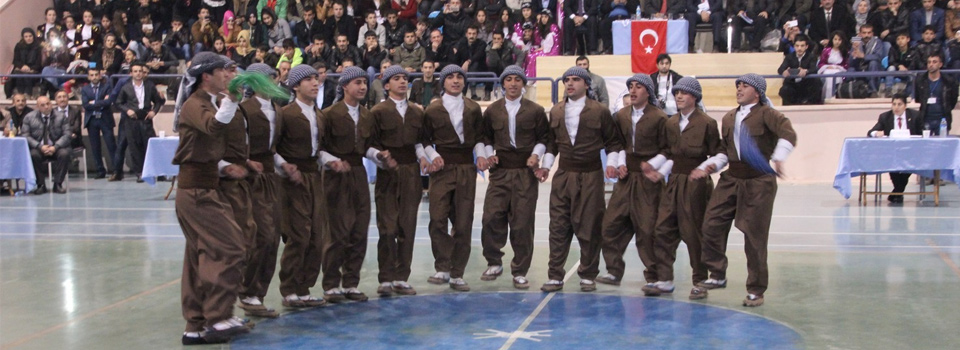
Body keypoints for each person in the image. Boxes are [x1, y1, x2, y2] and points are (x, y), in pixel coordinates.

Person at [690, 73, 798, 307]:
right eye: (737, 85)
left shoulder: (767, 114)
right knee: (711, 223)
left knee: (754, 235)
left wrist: (779, 158)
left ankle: (756, 290)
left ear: (757, 92)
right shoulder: (729, 118)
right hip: (732, 178)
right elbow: (724, 151)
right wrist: (710, 166)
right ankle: (717, 274)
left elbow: (788, 133)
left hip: (758, 181)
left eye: (744, 86)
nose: (739, 89)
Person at [171, 52, 249, 345]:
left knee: (197, 257)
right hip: (198, 193)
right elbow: (214, 127)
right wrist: (231, 99)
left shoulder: (207, 103)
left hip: (201, 188)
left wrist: (222, 165)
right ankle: (217, 317)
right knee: (230, 246)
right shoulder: (196, 104)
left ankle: (195, 324)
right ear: (207, 76)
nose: (230, 75)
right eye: (224, 71)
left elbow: (201, 147)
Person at [539, 67, 623, 293]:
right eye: (567, 80)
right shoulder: (556, 111)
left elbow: (613, 142)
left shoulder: (600, 111)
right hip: (563, 175)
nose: (570, 83)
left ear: (586, 84)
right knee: (558, 226)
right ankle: (555, 275)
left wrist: (613, 165)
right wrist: (545, 167)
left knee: (590, 225)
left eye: (576, 79)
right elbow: (552, 144)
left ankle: (588, 274)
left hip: (591, 175)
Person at [478, 65, 550, 289]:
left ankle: (520, 270)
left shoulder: (535, 110)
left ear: (523, 84)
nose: (513, 84)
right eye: (508, 79)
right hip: (500, 171)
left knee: (522, 222)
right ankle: (494, 262)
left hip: (524, 172)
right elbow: (485, 137)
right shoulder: (492, 110)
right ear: (502, 84)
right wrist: (489, 156)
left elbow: (544, 137)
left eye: (517, 80)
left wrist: (536, 155)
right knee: (491, 217)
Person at [596, 74, 669, 292]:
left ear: (648, 91)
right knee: (610, 224)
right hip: (626, 180)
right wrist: (617, 163)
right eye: (631, 87)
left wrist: (653, 165)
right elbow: (616, 144)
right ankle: (613, 270)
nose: (634, 91)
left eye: (639, 87)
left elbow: (667, 149)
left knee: (647, 229)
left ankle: (655, 275)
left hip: (648, 181)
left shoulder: (659, 118)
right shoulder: (621, 116)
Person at [649, 77, 720, 299]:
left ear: (695, 98)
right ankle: (665, 279)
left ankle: (700, 281)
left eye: (684, 93)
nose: (679, 96)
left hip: (696, 185)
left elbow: (718, 152)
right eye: (676, 92)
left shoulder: (707, 123)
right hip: (673, 182)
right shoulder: (670, 123)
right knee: (662, 228)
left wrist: (704, 169)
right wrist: (659, 171)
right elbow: (670, 153)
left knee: (694, 233)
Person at [420, 65, 488, 292]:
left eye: (460, 77)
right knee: (437, 218)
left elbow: (479, 136)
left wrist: (480, 156)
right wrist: (433, 156)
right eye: (450, 77)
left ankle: (457, 272)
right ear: (443, 82)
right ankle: (442, 266)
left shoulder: (473, 108)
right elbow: (424, 140)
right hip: (442, 169)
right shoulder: (432, 110)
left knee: (463, 221)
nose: (456, 81)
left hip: (466, 168)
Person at [232, 63, 286, 318]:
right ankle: (247, 291)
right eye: (270, 78)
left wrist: (284, 165)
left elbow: (272, 149)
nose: (276, 82)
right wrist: (244, 163)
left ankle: (257, 294)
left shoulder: (277, 109)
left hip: (271, 179)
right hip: (251, 181)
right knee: (261, 235)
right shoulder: (244, 110)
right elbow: (233, 145)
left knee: (273, 236)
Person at [316, 67, 373, 302]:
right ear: (345, 86)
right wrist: (333, 162)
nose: (362, 87)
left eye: (364, 83)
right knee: (337, 231)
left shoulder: (368, 115)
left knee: (360, 230)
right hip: (335, 176)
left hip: (358, 173)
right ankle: (331, 284)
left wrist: (379, 156)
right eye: (357, 82)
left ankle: (351, 282)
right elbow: (318, 149)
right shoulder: (328, 115)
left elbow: (368, 145)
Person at [368, 66, 425, 297]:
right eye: (397, 78)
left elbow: (421, 142)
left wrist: (424, 160)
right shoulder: (377, 112)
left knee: (407, 226)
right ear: (386, 84)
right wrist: (380, 156)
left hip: (411, 172)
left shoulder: (417, 112)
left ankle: (402, 277)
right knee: (387, 226)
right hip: (388, 174)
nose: (402, 82)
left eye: (405, 78)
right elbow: (369, 143)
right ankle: (386, 278)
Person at [275, 64, 329, 308]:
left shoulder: (319, 115)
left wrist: (331, 162)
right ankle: (289, 289)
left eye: (316, 79)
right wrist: (285, 166)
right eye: (308, 79)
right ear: (296, 85)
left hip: (314, 176)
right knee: (298, 235)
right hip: (292, 180)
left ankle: (304, 286)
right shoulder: (285, 114)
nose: (315, 83)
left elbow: (320, 150)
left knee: (317, 235)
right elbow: (272, 149)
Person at [115, 61, 166, 183]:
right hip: (132, 121)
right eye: (135, 71)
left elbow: (158, 101)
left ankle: (158, 172)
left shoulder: (149, 86)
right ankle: (140, 173)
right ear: (131, 73)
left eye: (140, 71)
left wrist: (154, 111)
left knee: (151, 146)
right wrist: (127, 111)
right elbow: (118, 102)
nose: (138, 74)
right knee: (135, 147)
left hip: (146, 119)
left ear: (143, 73)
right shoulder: (126, 87)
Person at [867, 94, 923, 203]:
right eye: (894, 104)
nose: (896, 107)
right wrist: (876, 133)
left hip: (911, 152)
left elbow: (922, 133)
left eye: (899, 104)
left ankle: (897, 192)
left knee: (909, 163)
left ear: (905, 106)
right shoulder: (885, 117)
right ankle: (898, 192)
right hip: (892, 153)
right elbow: (870, 132)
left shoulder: (915, 115)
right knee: (892, 163)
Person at [20, 96, 72, 195]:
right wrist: (40, 146)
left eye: (48, 104)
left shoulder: (61, 116)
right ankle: (41, 185)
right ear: (37, 107)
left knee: (64, 154)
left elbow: (67, 134)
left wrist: (55, 147)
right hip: (39, 147)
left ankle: (58, 183)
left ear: (51, 104)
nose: (46, 107)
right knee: (33, 155)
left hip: (56, 147)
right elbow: (25, 135)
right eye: (43, 105)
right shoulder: (29, 117)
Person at [81, 69, 116, 179]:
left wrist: (95, 102)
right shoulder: (85, 89)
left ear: (100, 76)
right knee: (95, 147)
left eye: (96, 75)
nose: (94, 77)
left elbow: (108, 102)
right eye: (92, 75)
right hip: (92, 120)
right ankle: (100, 170)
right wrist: (101, 102)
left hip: (105, 119)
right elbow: (86, 105)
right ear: (88, 77)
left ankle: (116, 170)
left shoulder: (107, 87)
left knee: (111, 145)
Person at [915, 53, 958, 135]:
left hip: (942, 120)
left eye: (934, 62)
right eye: (929, 62)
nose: (931, 65)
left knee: (942, 145)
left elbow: (953, 100)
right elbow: (918, 98)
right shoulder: (920, 80)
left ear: (940, 64)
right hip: (926, 119)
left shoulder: (948, 81)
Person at [778, 35, 822, 105]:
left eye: (802, 46)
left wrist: (805, 71)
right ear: (794, 46)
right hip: (793, 85)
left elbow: (814, 69)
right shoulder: (789, 57)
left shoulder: (811, 57)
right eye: (797, 46)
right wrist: (784, 72)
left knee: (817, 82)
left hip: (806, 84)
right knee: (784, 90)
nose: (799, 48)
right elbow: (780, 69)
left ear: (806, 47)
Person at [455, 26, 489, 100]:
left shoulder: (482, 44)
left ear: (477, 35)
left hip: (480, 70)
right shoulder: (462, 44)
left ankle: (467, 93)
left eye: (474, 34)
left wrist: (468, 61)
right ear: (466, 34)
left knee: (474, 64)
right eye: (469, 33)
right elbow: (458, 58)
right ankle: (471, 94)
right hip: (464, 69)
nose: (471, 36)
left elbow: (478, 55)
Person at [849, 24, 886, 92]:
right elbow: (850, 62)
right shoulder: (855, 40)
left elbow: (878, 57)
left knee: (873, 63)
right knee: (850, 69)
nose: (867, 35)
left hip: (873, 67)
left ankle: (873, 90)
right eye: (864, 33)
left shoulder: (877, 41)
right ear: (860, 34)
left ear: (872, 33)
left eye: (869, 33)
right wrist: (854, 53)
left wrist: (864, 56)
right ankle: (852, 91)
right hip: (859, 66)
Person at [6, 28, 42, 98]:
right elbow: (15, 60)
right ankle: (20, 95)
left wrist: (30, 68)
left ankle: (28, 94)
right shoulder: (19, 46)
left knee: (28, 75)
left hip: (34, 70)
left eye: (30, 36)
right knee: (18, 74)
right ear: (23, 37)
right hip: (21, 69)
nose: (28, 38)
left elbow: (38, 63)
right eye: (26, 36)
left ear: (33, 36)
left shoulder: (38, 47)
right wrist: (22, 66)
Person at [818, 31, 851, 100]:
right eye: (835, 39)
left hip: (839, 70)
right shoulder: (826, 50)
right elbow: (821, 63)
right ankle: (828, 97)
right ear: (832, 40)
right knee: (829, 75)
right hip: (827, 70)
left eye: (839, 40)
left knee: (837, 75)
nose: (837, 42)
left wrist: (837, 67)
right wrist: (827, 67)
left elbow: (846, 65)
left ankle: (836, 96)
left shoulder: (845, 51)